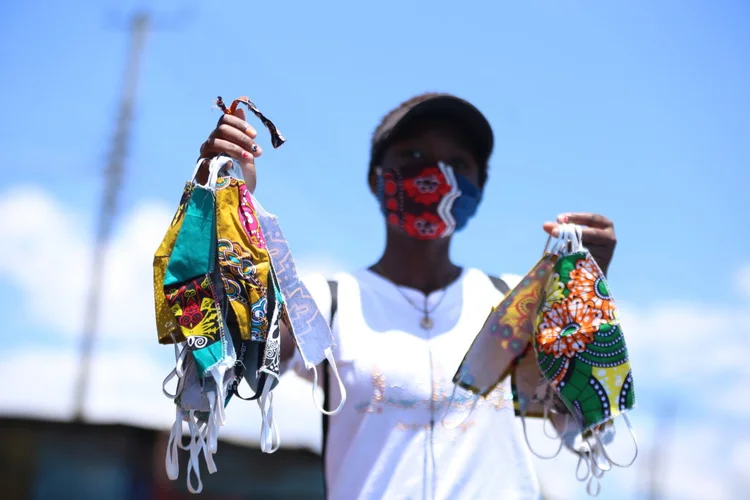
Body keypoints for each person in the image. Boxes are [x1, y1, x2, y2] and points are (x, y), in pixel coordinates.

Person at [197, 92, 617, 499]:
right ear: (376, 177)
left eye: (457, 163)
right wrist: (222, 208)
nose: (435, 175)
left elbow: (574, 408)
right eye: (414, 156)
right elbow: (236, 355)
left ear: (478, 188)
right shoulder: (330, 303)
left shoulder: (514, 303)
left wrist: (582, 297)